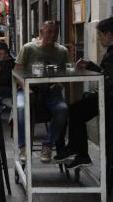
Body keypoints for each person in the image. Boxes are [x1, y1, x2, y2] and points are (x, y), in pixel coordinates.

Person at [58, 17, 113, 168]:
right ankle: (79, 152)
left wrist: (93, 94)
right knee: (76, 110)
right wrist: (90, 65)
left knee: (75, 111)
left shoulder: (111, 54)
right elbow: (105, 73)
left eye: (101, 35)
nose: (100, 39)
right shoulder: (110, 52)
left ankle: (78, 151)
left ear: (108, 34)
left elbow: (108, 80)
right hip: (104, 96)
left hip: (107, 99)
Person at [14, 20, 70, 163]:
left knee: (63, 109)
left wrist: (59, 83)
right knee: (20, 108)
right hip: (28, 89)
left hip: (51, 92)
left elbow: (66, 74)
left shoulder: (62, 51)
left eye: (56, 32)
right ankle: (23, 147)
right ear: (41, 32)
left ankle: (48, 145)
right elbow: (16, 74)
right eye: (49, 31)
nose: (53, 35)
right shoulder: (28, 48)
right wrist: (27, 88)